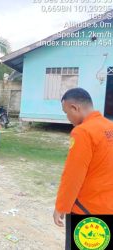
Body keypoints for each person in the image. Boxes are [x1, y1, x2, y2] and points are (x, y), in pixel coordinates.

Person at [53, 88, 113, 249]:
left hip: (87, 209)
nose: (67, 118)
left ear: (75, 108)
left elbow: (73, 175)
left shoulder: (83, 132)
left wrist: (61, 206)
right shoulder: (109, 126)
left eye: (66, 112)